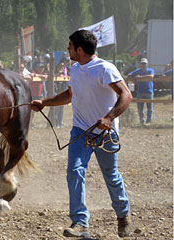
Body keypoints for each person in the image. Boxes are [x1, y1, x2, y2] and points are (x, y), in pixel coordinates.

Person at [30, 30, 133, 238]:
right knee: (74, 171)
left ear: (79, 49)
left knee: (111, 176)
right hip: (80, 131)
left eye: (70, 46)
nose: (67, 49)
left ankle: (123, 214)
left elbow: (126, 94)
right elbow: (69, 95)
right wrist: (44, 102)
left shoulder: (104, 68)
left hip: (105, 133)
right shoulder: (75, 68)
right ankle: (80, 222)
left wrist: (109, 117)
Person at [127, 58, 154, 125]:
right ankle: (142, 121)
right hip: (140, 91)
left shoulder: (150, 70)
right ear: (140, 64)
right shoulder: (137, 71)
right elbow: (129, 75)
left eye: (144, 63)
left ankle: (148, 121)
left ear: (147, 64)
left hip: (149, 91)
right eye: (142, 63)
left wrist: (139, 77)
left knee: (149, 107)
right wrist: (134, 78)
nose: (143, 65)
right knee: (140, 107)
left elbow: (151, 76)